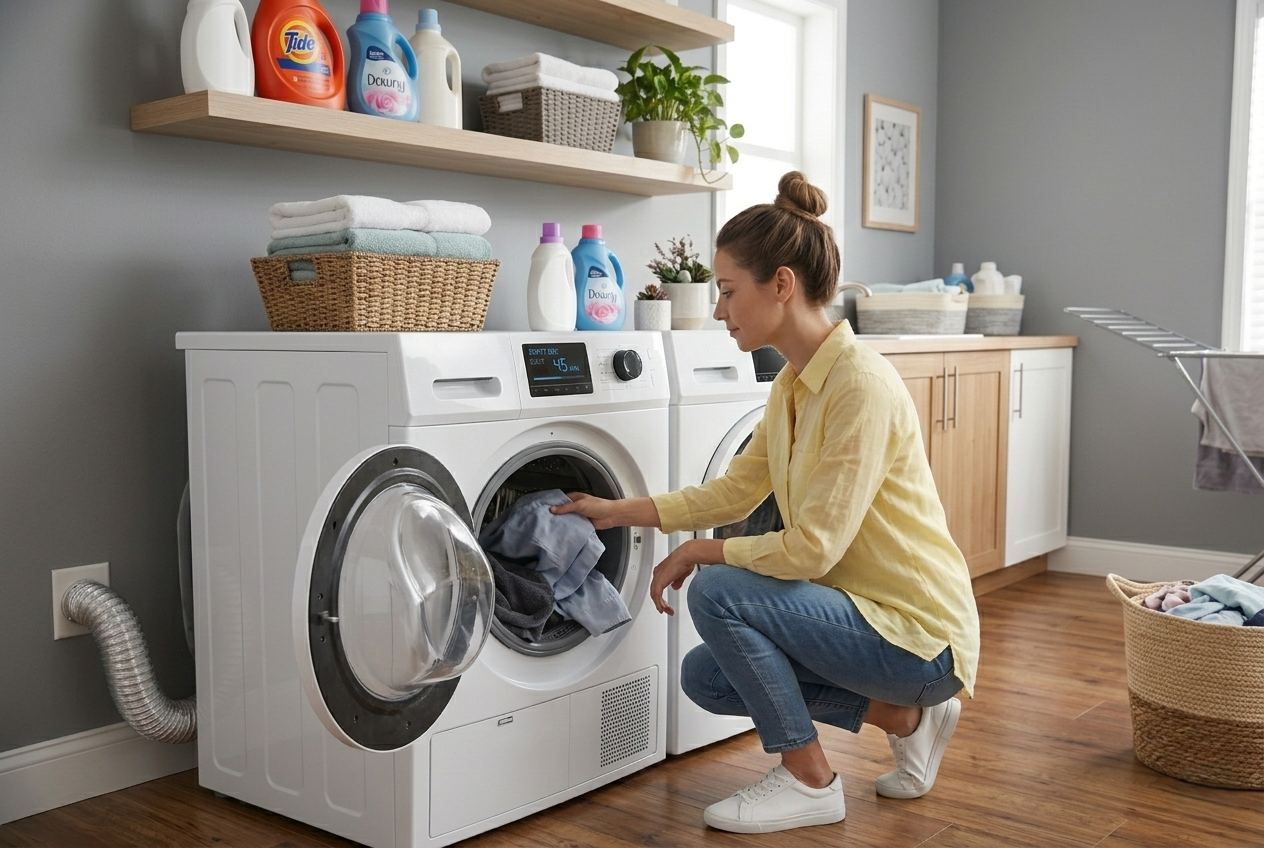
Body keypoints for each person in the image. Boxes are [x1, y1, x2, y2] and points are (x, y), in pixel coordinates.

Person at [552, 171, 980, 835]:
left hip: (918, 636)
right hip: (865, 621)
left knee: (716, 590)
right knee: (706, 677)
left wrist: (701, 549)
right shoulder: (791, 386)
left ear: (781, 285)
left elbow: (815, 548)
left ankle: (812, 781)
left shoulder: (858, 385)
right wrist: (617, 511)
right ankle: (905, 718)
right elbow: (734, 490)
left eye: (728, 291)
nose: (719, 310)